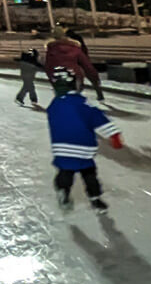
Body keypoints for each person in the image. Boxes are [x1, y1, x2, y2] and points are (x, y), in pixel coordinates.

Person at [46, 66, 123, 210]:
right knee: (89, 175)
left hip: (61, 148)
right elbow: (98, 118)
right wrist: (114, 135)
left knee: (65, 172)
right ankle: (95, 199)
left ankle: (63, 191)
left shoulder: (54, 105)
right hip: (82, 148)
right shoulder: (81, 104)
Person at [46, 31, 103, 99]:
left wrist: (52, 79)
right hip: (75, 76)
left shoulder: (51, 50)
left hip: (59, 78)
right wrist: (95, 77)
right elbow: (86, 65)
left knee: (62, 100)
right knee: (75, 99)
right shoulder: (75, 48)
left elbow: (48, 67)